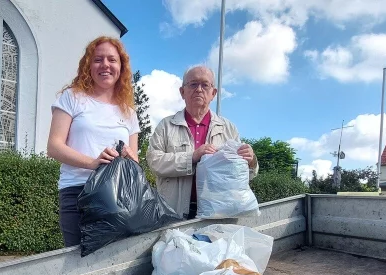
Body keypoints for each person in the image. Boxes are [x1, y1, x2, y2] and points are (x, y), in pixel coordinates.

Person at [47, 36, 140, 247]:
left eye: (112, 60)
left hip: (118, 196)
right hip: (78, 192)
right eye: (98, 59)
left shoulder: (129, 112)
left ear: (121, 67)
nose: (105, 65)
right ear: (88, 65)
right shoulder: (72, 97)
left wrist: (129, 157)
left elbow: (135, 160)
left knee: (111, 263)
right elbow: (54, 146)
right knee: (77, 264)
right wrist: (92, 163)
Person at [147, 65, 258, 219]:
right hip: (172, 214)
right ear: (182, 92)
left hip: (217, 215)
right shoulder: (166, 126)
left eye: (205, 85)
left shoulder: (229, 128)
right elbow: (154, 161)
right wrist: (191, 157)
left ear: (213, 93)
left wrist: (251, 161)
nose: (199, 89)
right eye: (193, 84)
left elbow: (241, 175)